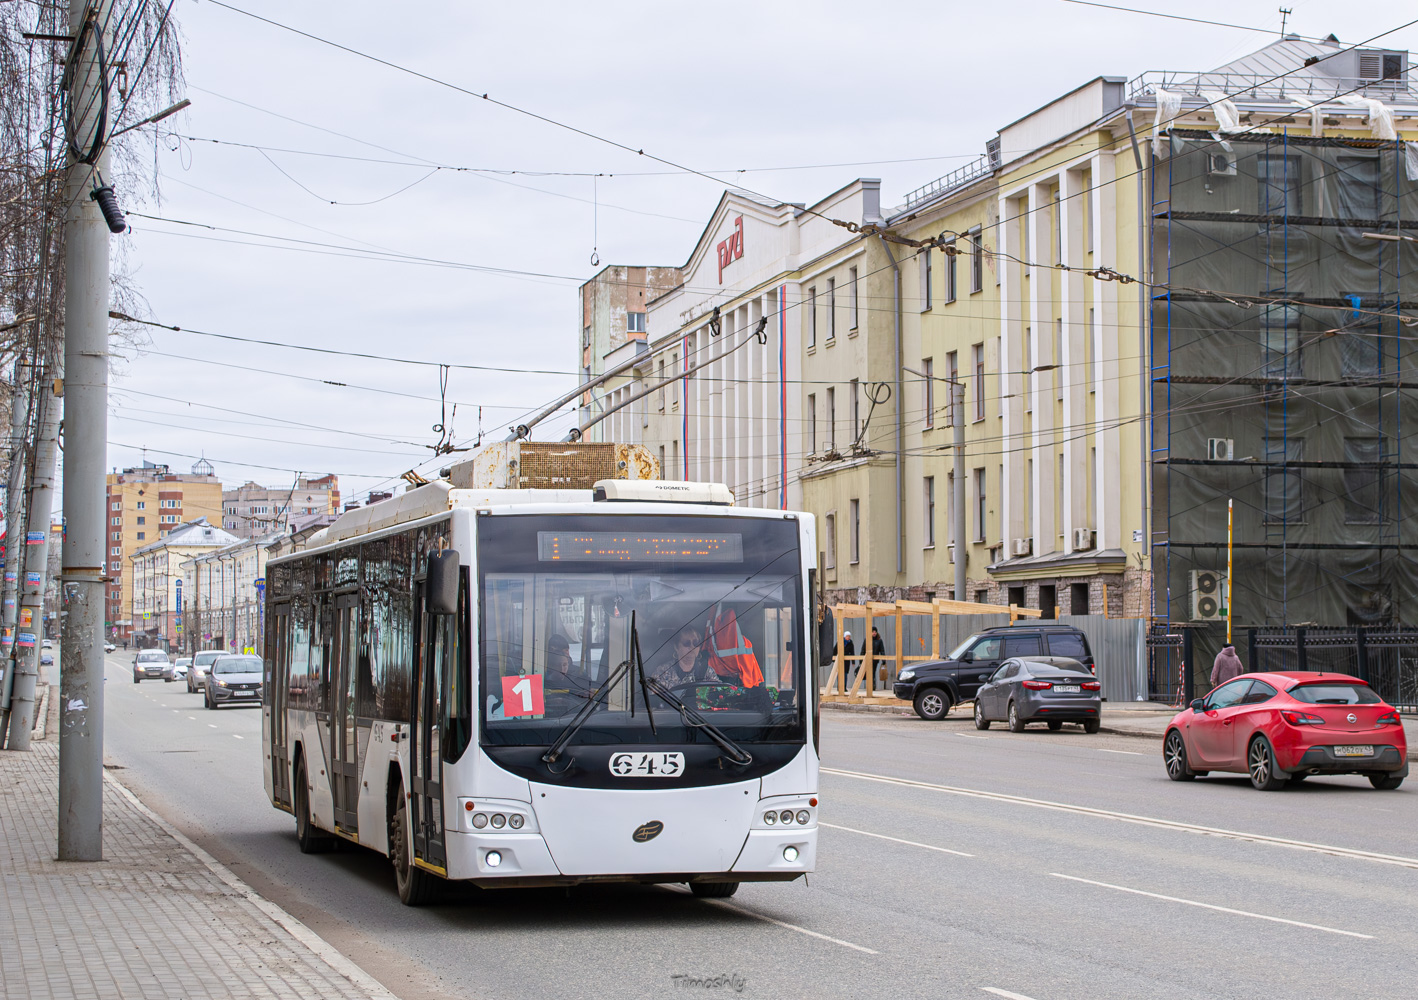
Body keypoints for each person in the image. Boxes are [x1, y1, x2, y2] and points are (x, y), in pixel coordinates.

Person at [653, 625, 720, 688]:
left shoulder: (707, 671)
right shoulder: (663, 672)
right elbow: (655, 698)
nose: (692, 647)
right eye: (686, 643)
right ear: (676, 647)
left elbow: (720, 693)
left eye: (696, 643)